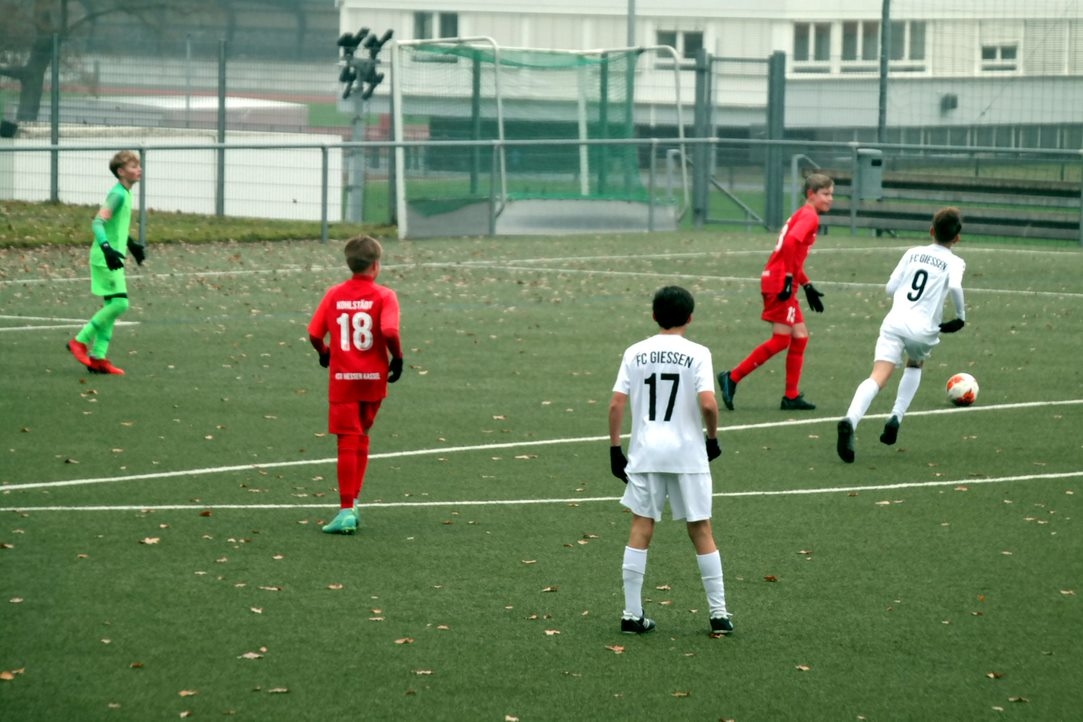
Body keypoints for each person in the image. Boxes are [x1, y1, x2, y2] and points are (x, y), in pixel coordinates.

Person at [608, 286, 733, 636]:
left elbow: (617, 403)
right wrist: (712, 438)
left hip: (646, 453)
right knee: (701, 528)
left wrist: (615, 449)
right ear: (690, 318)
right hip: (687, 454)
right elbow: (708, 403)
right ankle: (719, 614)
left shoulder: (635, 352)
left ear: (653, 316)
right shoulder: (698, 353)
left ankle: (632, 614)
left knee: (641, 526)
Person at [836, 207, 967, 463]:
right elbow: (954, 285)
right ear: (957, 238)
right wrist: (960, 317)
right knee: (915, 363)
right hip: (922, 329)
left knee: (878, 376)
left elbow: (889, 288)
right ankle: (896, 416)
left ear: (931, 231)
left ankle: (850, 420)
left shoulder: (912, 253)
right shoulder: (955, 261)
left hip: (894, 321)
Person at [308, 235, 404, 534]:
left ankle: (347, 508)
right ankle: (355, 502)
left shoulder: (334, 294)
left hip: (344, 380)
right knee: (361, 436)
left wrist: (325, 353)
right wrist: (397, 357)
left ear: (350, 264)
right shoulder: (385, 296)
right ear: (376, 266)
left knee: (347, 441)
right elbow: (389, 329)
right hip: (373, 379)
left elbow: (314, 333)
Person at [717, 172, 833, 411]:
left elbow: (792, 255)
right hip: (780, 283)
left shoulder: (804, 214)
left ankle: (790, 396)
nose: (830, 199)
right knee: (781, 339)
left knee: (800, 336)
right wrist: (790, 279)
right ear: (811, 194)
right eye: (826, 194)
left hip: (780, 279)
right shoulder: (810, 217)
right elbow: (790, 244)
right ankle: (732, 377)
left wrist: (807, 284)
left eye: (831, 194)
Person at [66, 150, 147, 375]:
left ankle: (98, 357)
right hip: (106, 258)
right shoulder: (118, 194)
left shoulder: (126, 193)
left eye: (138, 165)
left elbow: (115, 226)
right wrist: (107, 249)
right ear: (121, 172)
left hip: (114, 256)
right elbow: (98, 223)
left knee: (111, 307)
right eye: (133, 166)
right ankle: (80, 341)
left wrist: (130, 245)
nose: (138, 169)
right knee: (120, 304)